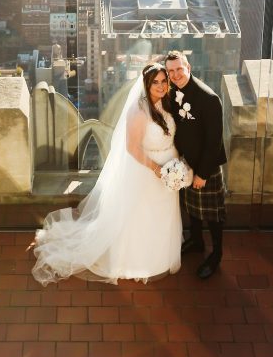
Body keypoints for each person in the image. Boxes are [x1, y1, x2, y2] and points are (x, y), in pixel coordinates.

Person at [31, 63, 183, 285]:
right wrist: (157, 169)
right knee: (142, 216)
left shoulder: (167, 104)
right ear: (146, 84)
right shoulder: (139, 111)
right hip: (147, 172)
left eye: (163, 81)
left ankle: (160, 257)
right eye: (155, 82)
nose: (160, 86)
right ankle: (136, 261)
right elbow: (132, 148)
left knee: (162, 215)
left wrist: (174, 167)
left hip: (169, 171)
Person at [165, 50, 226, 280]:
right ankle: (197, 242)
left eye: (179, 69)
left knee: (213, 214)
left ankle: (216, 254)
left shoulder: (209, 98)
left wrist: (202, 174)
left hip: (205, 168)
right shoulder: (173, 93)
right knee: (192, 209)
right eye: (171, 71)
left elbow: (214, 142)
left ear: (188, 67)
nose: (175, 74)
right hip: (185, 166)